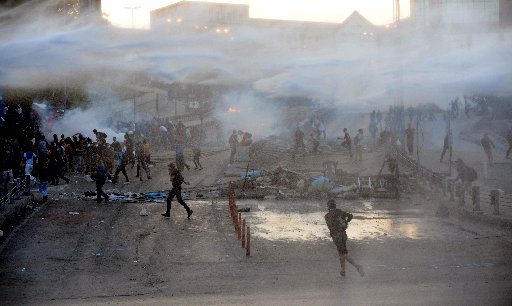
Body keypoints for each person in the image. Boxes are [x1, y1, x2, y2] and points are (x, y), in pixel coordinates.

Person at [324, 199, 364, 278]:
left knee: (343, 254)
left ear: (328, 207)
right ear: (335, 205)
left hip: (336, 237)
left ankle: (357, 266)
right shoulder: (340, 212)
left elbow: (331, 227)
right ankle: (343, 271)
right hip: (343, 235)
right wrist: (346, 222)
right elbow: (350, 216)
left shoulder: (327, 216)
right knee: (341, 253)